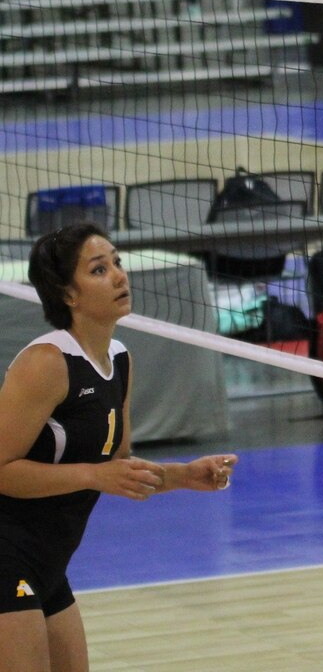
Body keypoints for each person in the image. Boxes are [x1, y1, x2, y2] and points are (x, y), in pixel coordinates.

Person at [0, 223, 238, 670]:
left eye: (117, 262)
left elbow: (117, 467)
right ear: (68, 294)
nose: (118, 275)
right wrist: (92, 475)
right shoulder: (45, 363)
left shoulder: (120, 360)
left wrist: (184, 476)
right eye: (98, 269)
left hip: (49, 562)